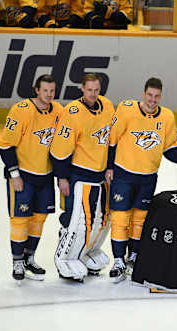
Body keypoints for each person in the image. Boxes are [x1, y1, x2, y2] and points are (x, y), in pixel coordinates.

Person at [105, 78, 177, 283]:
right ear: (144, 93)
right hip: (123, 173)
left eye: (156, 96)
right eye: (150, 95)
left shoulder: (166, 116)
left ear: (160, 96)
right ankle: (119, 260)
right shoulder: (126, 109)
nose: (152, 100)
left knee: (140, 219)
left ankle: (134, 256)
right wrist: (109, 166)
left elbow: (169, 148)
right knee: (121, 218)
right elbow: (112, 139)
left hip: (148, 176)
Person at [0, 74, 63, 283]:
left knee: (39, 219)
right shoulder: (21, 111)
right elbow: (4, 145)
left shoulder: (59, 112)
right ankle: (17, 261)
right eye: (45, 90)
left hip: (45, 176)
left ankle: (29, 258)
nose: (49, 95)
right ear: (36, 90)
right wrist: (14, 174)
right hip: (23, 176)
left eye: (52, 91)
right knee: (20, 220)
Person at [50, 73, 115, 282]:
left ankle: (86, 252)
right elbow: (60, 150)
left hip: (100, 175)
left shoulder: (107, 105)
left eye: (97, 90)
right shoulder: (72, 112)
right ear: (82, 88)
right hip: (78, 175)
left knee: (101, 220)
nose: (93, 94)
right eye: (89, 90)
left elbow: (110, 140)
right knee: (77, 221)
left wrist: (110, 167)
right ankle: (64, 258)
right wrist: (62, 178)